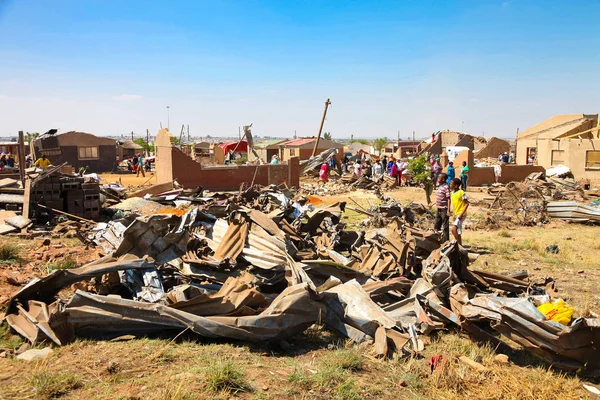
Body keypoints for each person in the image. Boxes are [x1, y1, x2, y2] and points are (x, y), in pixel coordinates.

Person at [450, 178, 469, 245]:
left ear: (456, 186)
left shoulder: (461, 192)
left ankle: (458, 244)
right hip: (456, 214)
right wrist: (453, 215)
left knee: (453, 229)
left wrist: (461, 214)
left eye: (451, 184)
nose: (450, 185)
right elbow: (455, 205)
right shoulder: (452, 193)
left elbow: (467, 203)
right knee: (457, 230)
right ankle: (459, 245)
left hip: (461, 213)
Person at [433, 173, 450, 242]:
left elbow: (449, 198)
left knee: (445, 225)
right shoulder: (440, 186)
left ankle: (446, 241)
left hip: (444, 208)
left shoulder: (446, 187)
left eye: (439, 178)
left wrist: (448, 210)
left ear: (443, 179)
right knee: (437, 223)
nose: (438, 179)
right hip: (439, 208)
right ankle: (437, 239)